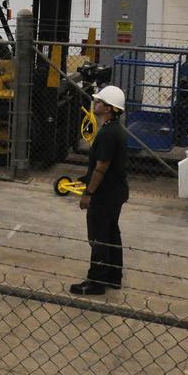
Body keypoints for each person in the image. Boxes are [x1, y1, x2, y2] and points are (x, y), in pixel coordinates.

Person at [70, 85, 129, 295]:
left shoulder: (107, 134)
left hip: (105, 194)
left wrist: (88, 193)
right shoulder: (114, 130)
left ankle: (96, 281)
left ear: (110, 108)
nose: (96, 104)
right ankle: (113, 276)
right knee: (111, 233)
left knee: (98, 236)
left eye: (100, 102)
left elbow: (101, 166)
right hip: (115, 192)